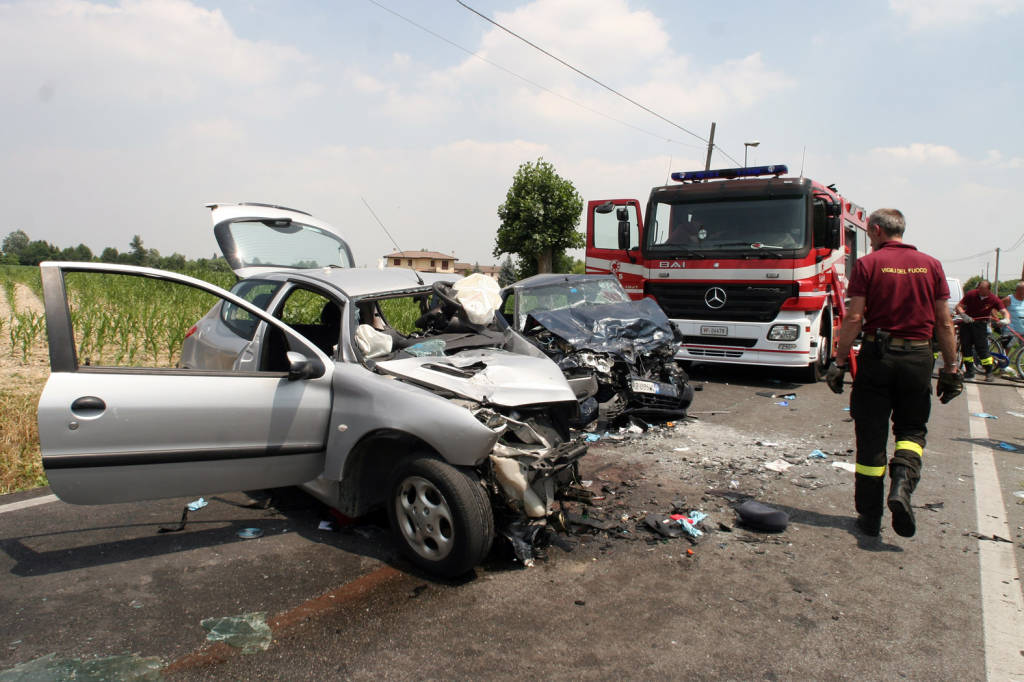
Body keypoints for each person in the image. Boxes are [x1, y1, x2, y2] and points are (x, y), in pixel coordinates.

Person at [826, 208, 961, 539]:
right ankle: (902, 485)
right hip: (918, 357)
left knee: (871, 437)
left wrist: (839, 361)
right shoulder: (931, 265)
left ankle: (870, 518)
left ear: (873, 231)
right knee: (912, 431)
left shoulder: (868, 264)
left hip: (878, 356)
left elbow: (854, 318)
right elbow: (944, 322)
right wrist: (952, 368)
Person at [955, 280, 1009, 381]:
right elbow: (959, 306)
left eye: (982, 289)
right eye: (979, 288)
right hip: (967, 324)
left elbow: (1004, 311)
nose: (979, 291)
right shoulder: (971, 294)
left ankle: (989, 372)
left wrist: (1006, 319)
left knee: (982, 350)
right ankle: (969, 371)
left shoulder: (993, 299)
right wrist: (963, 315)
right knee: (966, 348)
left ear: (988, 290)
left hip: (980, 326)